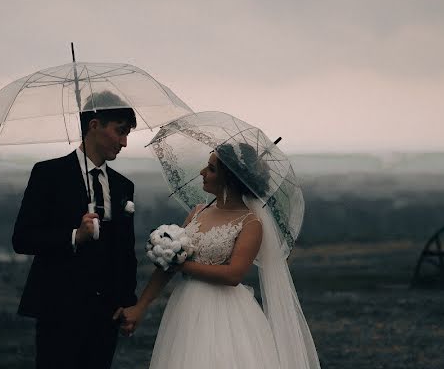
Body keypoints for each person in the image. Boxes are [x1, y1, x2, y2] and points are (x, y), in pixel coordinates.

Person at [119, 145, 320, 369]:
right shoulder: (198, 212)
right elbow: (168, 266)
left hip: (225, 313)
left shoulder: (250, 223)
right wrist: (141, 306)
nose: (202, 172)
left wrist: (182, 265)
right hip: (187, 306)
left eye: (211, 169)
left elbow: (234, 274)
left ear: (229, 179)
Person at [12, 92, 138, 369]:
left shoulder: (123, 186)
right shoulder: (49, 174)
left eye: (127, 134)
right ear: (94, 125)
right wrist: (74, 236)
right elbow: (22, 238)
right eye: (120, 132)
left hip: (106, 315)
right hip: (59, 309)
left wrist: (129, 302)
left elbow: (125, 251)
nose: (124, 142)